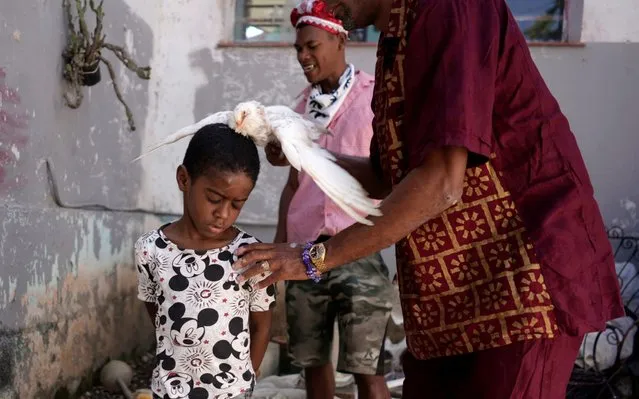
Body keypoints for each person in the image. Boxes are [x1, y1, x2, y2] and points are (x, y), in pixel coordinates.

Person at [233, 0, 625, 398]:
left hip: (520, 283)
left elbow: (441, 182)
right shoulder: (394, 42)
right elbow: (389, 179)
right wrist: (306, 154)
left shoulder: (452, 9)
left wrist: (313, 259)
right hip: (449, 294)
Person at [274, 2, 393, 398]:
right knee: (312, 364)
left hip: (359, 246)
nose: (303, 57)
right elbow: (293, 186)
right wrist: (279, 250)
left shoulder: (375, 97)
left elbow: (395, 177)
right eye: (298, 50)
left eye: (311, 46)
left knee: (367, 368)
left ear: (339, 40)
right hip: (305, 252)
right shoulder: (296, 110)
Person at [134, 124, 276, 399]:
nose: (223, 213)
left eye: (237, 204)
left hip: (232, 392)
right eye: (214, 198)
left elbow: (262, 325)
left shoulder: (251, 255)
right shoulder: (151, 250)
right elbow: (159, 314)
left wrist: (246, 380)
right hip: (169, 391)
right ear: (184, 179)